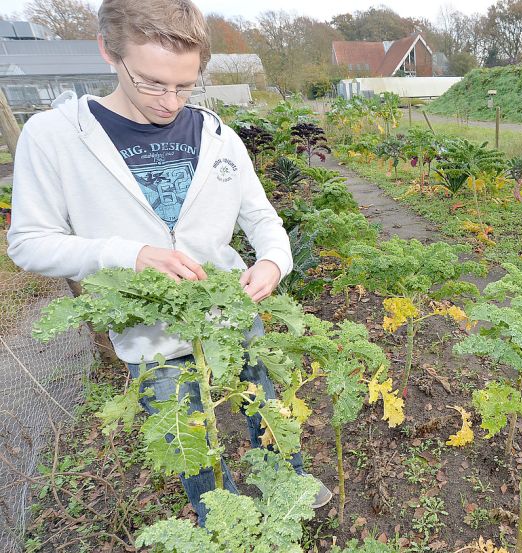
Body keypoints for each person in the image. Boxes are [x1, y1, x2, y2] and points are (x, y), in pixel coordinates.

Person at [5, 0, 332, 525]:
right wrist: (127, 255)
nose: (170, 101)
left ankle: (287, 481)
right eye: (154, 84)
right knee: (188, 438)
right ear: (108, 52)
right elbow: (27, 242)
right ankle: (217, 521)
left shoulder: (218, 135)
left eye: (186, 85)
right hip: (150, 338)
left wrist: (273, 261)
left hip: (230, 315)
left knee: (263, 401)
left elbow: (262, 218)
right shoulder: (54, 138)